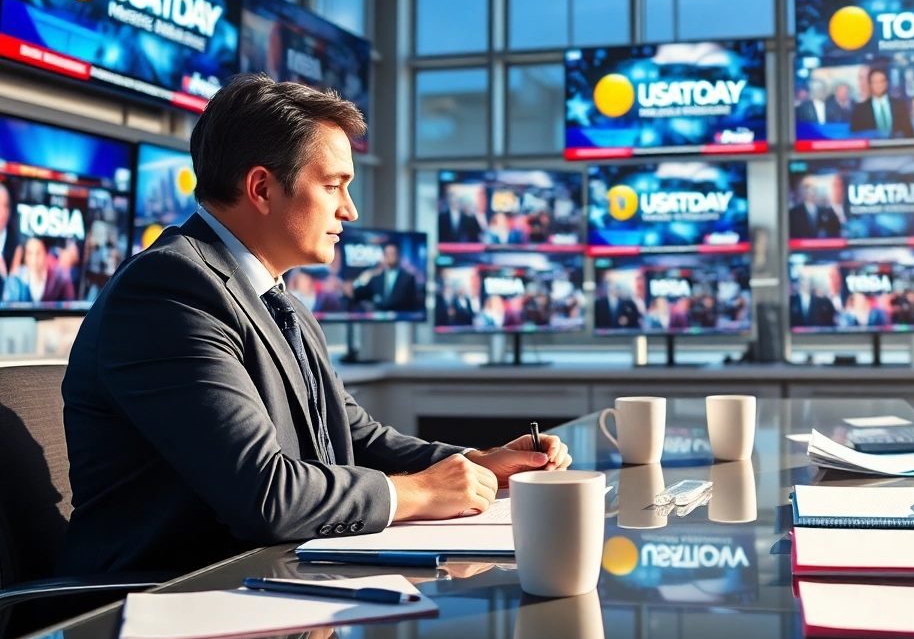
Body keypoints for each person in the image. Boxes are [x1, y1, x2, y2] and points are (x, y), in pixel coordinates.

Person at [60, 74, 573, 576]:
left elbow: (352, 436)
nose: (349, 210)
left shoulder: (277, 299)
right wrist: (420, 492)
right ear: (261, 187)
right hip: (167, 601)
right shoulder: (168, 290)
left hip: (273, 580)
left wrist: (477, 463)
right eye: (333, 186)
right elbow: (266, 495)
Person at [348, 242, 419, 312]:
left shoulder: (408, 278)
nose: (391, 257)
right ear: (384, 256)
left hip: (402, 320)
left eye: (393, 254)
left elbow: (413, 305)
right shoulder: (376, 278)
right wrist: (360, 281)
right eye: (388, 254)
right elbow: (358, 295)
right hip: (379, 320)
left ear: (398, 255)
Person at [2, 236, 74, 303]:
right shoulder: (17, 280)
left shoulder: (60, 280)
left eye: (38, 253)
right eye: (30, 253)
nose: (34, 259)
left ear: (46, 254)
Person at [848, 67, 914, 138]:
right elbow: (855, 136)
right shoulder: (860, 110)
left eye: (881, 81)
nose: (879, 85)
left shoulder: (900, 106)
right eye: (875, 82)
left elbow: (909, 133)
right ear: (870, 85)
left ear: (886, 83)